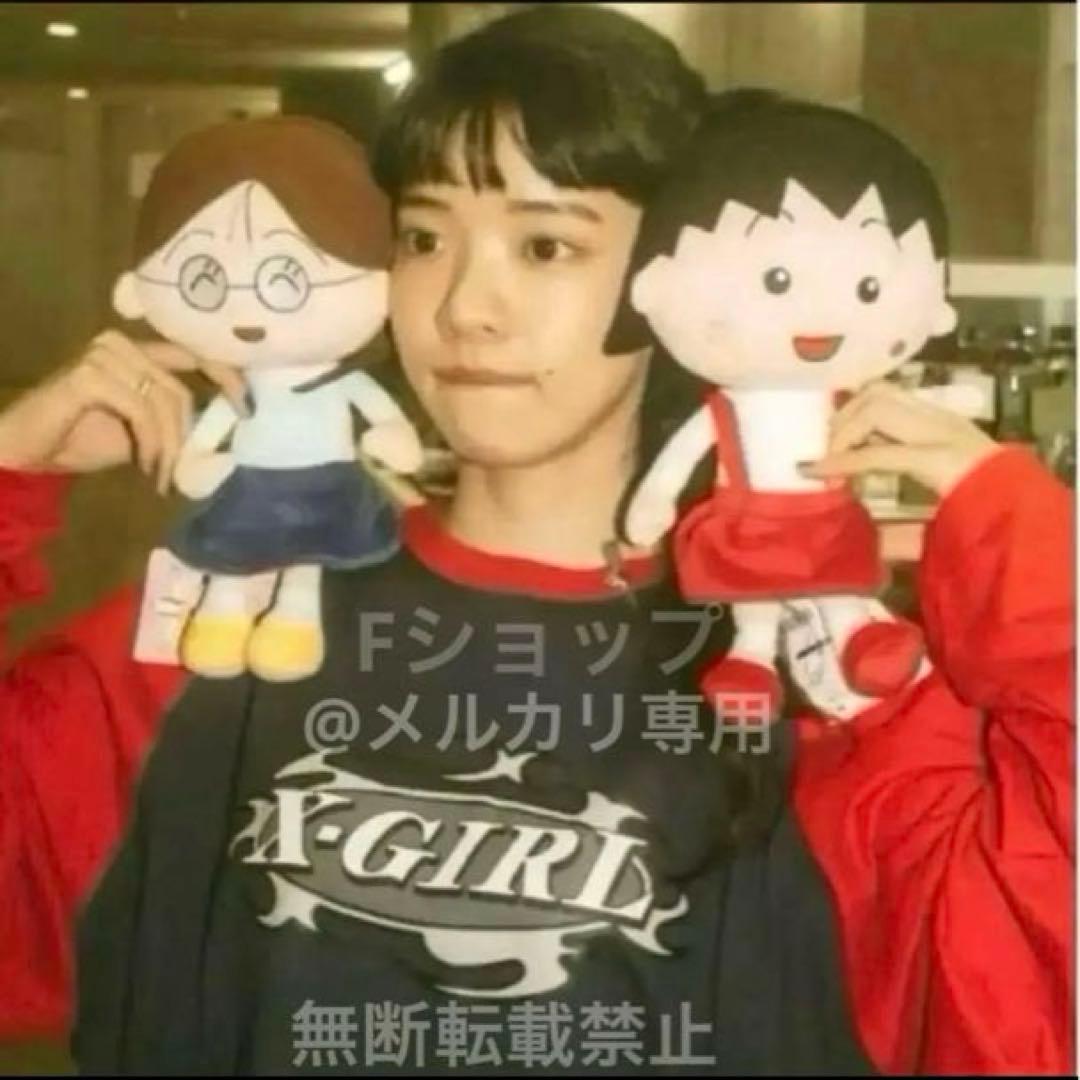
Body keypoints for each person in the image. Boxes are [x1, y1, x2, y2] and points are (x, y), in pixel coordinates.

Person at [0, 6, 1070, 1075]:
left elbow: (1024, 977)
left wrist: (1020, 543)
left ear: (679, 277)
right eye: (424, 239)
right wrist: (7, 475)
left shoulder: (812, 678)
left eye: (547, 243)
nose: (466, 307)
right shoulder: (224, 626)